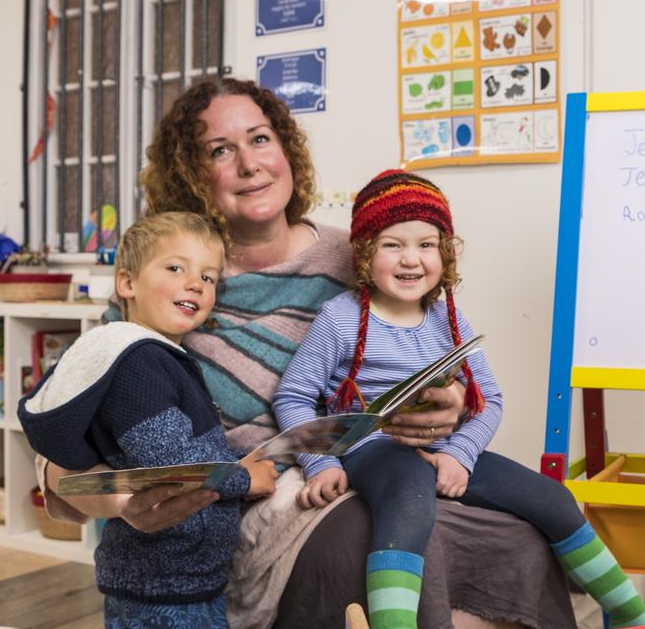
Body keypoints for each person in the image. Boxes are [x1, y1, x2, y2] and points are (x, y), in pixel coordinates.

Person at [38, 77, 576, 629]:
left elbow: (435, 341)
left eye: (261, 139)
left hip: (384, 468)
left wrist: (453, 400)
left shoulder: (362, 253)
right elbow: (62, 436)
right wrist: (121, 504)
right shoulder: (169, 284)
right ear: (191, 175)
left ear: (287, 150)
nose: (250, 163)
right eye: (220, 151)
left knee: (521, 537)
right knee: (382, 555)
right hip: (249, 506)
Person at [274, 170, 645, 628]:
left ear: (446, 253)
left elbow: (488, 400)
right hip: (371, 449)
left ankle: (632, 616)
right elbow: (293, 396)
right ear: (363, 253)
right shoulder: (340, 319)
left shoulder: (447, 319)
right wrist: (324, 463)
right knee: (410, 493)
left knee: (553, 497)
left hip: (441, 448)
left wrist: (460, 453)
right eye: (392, 244)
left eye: (426, 244)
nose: (410, 259)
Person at [18, 212, 279, 627]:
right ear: (127, 283)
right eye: (175, 268)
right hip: (161, 585)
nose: (195, 283)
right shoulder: (138, 363)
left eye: (209, 278)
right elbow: (172, 461)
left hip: (185, 579)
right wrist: (246, 479)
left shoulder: (162, 359)